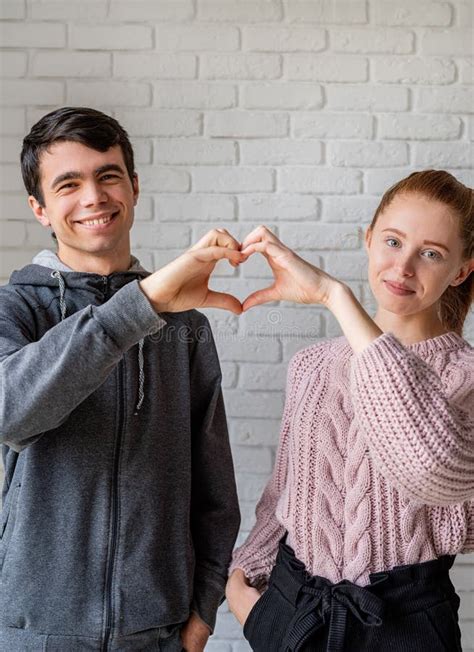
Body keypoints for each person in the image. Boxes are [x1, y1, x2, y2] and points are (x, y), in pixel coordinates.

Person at [0, 106, 243, 652]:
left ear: (133, 187)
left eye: (108, 175)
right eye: (69, 184)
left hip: (157, 634)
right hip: (34, 633)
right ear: (40, 208)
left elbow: (215, 490)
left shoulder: (185, 327)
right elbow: (7, 411)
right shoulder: (14, 309)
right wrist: (143, 303)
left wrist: (203, 611)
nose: (93, 197)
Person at [225, 170, 474, 651]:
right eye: (393, 241)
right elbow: (285, 492)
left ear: (461, 270)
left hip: (406, 626)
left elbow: (428, 467)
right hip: (296, 613)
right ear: (368, 239)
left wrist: (335, 295)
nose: (402, 268)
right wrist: (245, 586)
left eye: (431, 253)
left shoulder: (465, 378)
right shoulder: (312, 367)